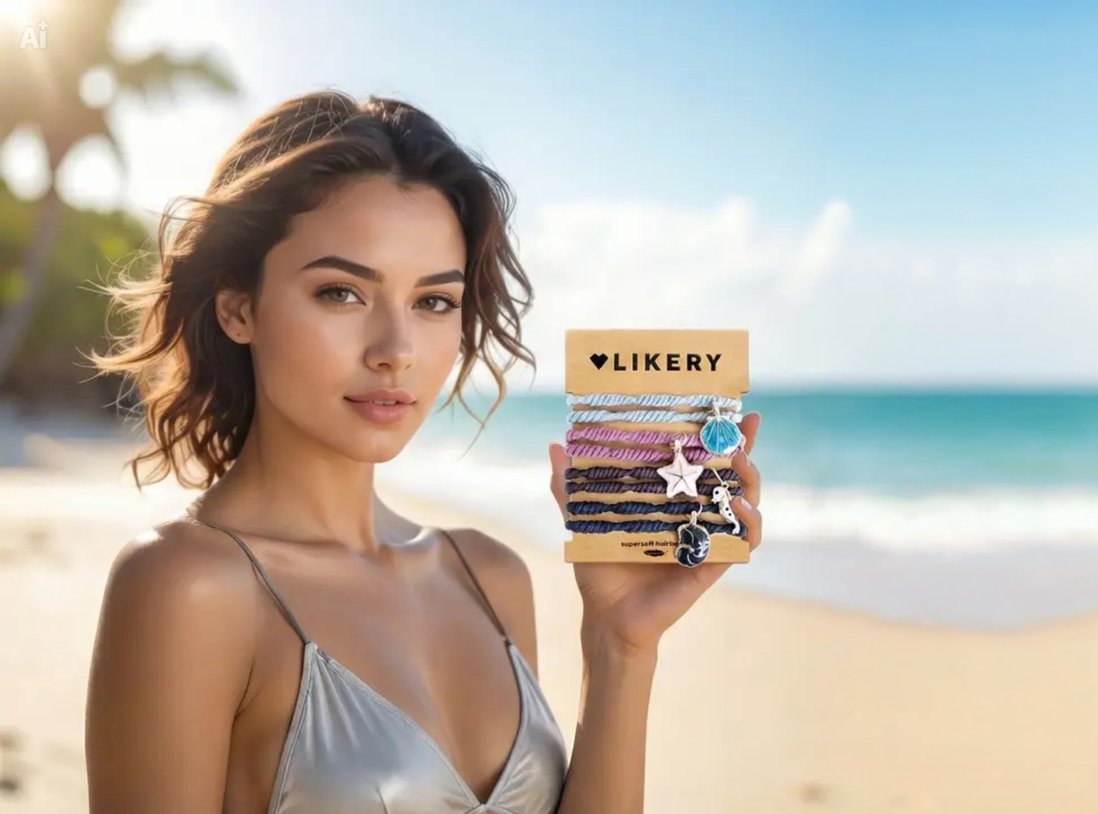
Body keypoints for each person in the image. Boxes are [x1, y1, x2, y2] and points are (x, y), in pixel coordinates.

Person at [79, 90, 763, 813]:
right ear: (238, 307)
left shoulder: (488, 576)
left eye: (433, 302)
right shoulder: (187, 586)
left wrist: (622, 646)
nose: (396, 352)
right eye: (341, 293)